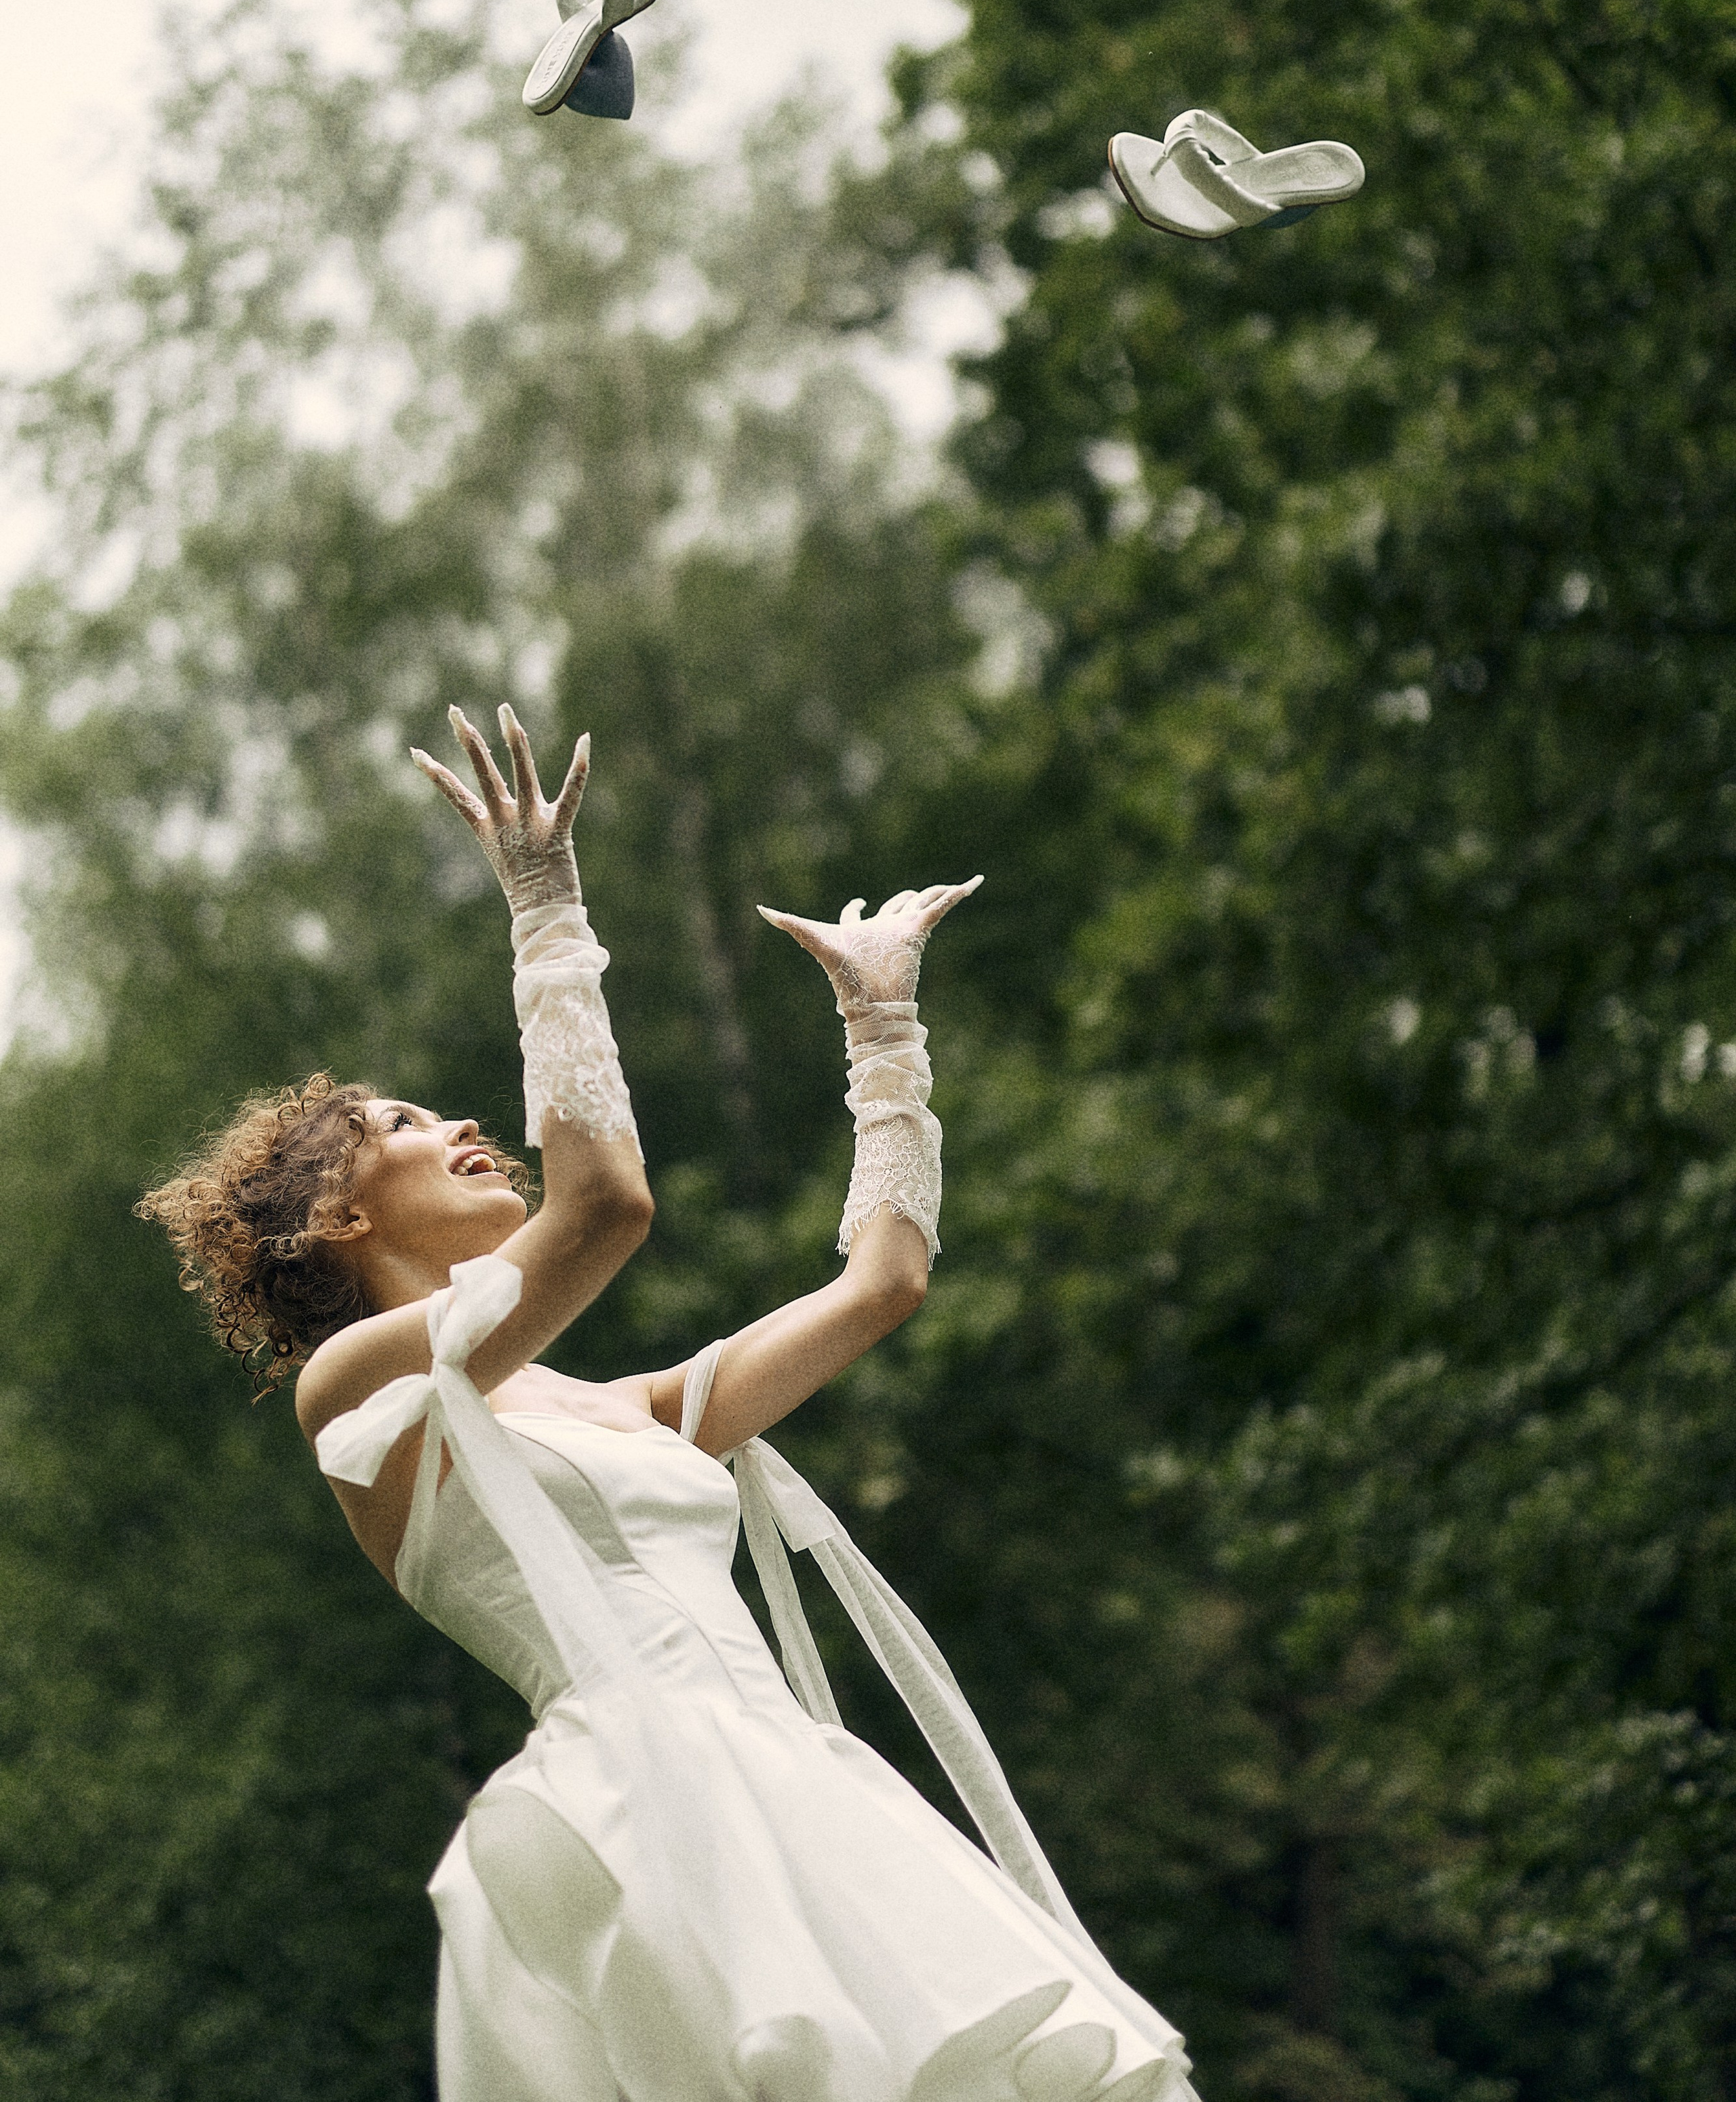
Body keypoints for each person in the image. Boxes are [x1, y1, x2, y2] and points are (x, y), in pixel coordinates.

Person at [141, 703, 1198, 2102]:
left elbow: (880, 1286)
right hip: (634, 1814)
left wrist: (882, 1033)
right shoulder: (355, 1397)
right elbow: (605, 1203)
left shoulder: (629, 1409)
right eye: (402, 1124)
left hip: (790, 1792)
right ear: (333, 1214)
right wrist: (544, 910)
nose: (459, 1126)